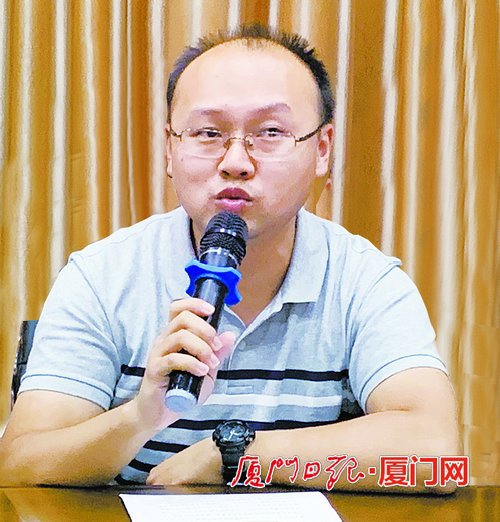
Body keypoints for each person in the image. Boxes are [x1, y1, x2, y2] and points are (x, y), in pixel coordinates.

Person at [0, 24, 459, 492]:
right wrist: (141, 415)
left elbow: (441, 456)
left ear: (321, 150)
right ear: (170, 148)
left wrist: (237, 456)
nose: (235, 162)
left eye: (270, 132)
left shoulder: (364, 280)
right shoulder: (102, 277)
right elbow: (19, 465)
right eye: (208, 133)